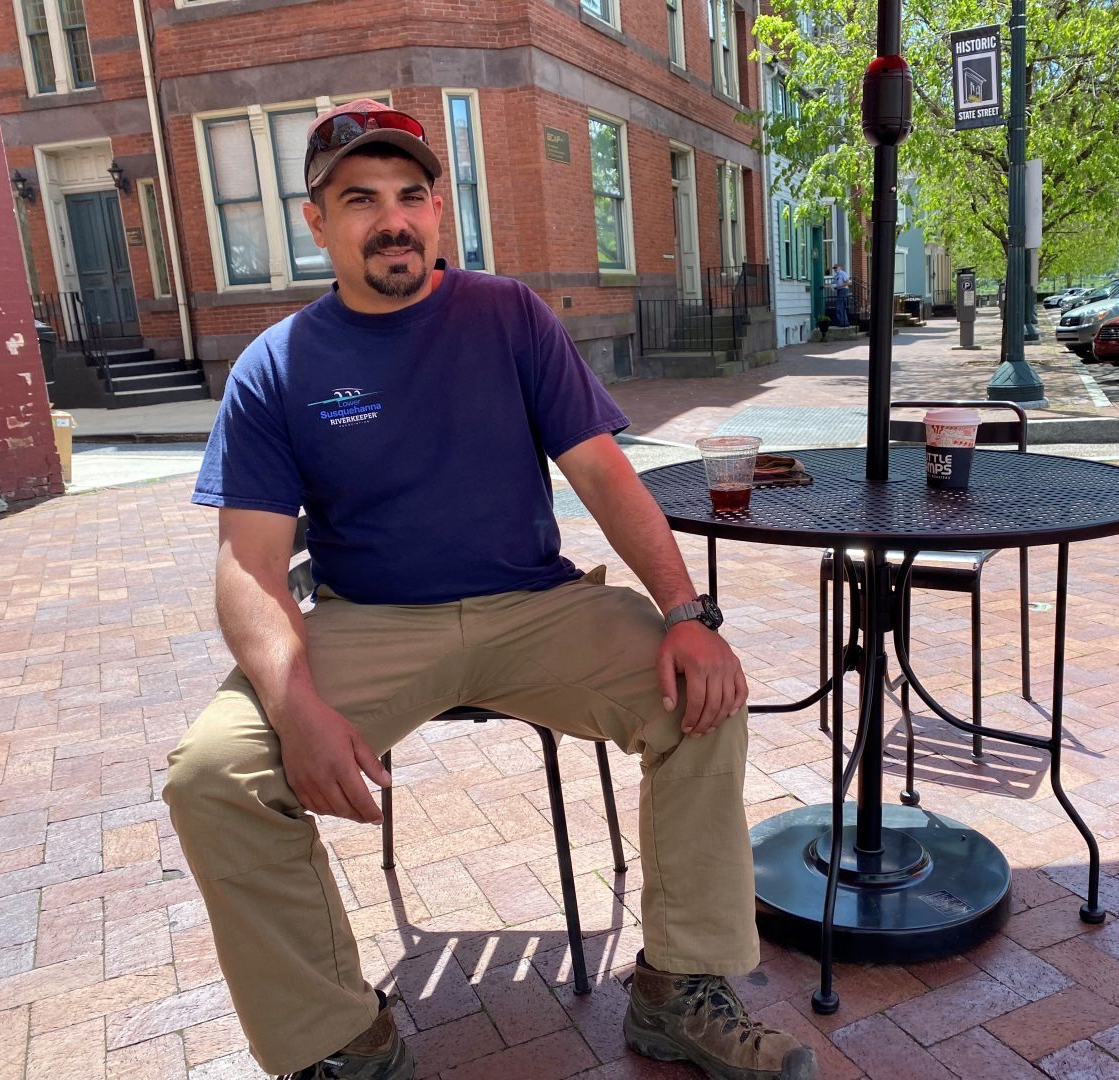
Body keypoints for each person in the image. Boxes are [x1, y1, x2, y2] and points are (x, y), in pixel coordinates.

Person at [163, 99, 816, 1080]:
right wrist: (294, 704)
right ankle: (341, 1040)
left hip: (536, 608)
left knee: (705, 699)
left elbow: (602, 473)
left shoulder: (508, 315)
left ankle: (680, 988)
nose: (393, 219)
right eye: (360, 200)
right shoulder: (277, 368)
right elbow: (248, 567)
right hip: (370, 623)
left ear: (439, 211)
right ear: (317, 222)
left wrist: (687, 615)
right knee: (214, 776)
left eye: (412, 196)